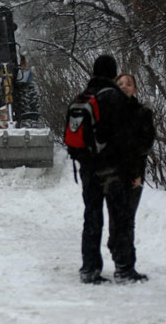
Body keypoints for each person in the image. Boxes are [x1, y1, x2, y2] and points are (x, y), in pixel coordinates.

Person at [76, 55, 136, 284]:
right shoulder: (115, 98)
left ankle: (89, 269)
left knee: (92, 216)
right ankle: (124, 268)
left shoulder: (83, 97)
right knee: (119, 217)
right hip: (111, 168)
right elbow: (125, 137)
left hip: (88, 167)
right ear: (113, 73)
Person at [108, 73, 155, 284]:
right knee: (116, 222)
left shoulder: (142, 113)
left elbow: (145, 144)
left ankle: (126, 267)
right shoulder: (108, 113)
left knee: (127, 221)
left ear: (135, 89)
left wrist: (135, 172)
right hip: (111, 175)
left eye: (129, 84)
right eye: (121, 84)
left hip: (133, 174)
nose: (125, 86)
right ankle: (119, 256)